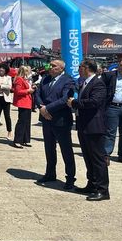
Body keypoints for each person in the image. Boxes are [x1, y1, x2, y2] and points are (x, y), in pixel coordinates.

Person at [67, 59, 109, 201]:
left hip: (94, 126)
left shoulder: (98, 83)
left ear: (87, 68)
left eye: (80, 67)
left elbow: (94, 102)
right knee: (88, 157)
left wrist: (74, 103)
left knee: (98, 159)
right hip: (84, 125)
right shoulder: (84, 82)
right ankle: (92, 184)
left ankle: (103, 190)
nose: (78, 69)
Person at [34, 60, 76, 190]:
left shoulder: (68, 80)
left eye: (53, 66)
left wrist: (48, 109)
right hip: (46, 119)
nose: (50, 67)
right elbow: (37, 93)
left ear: (61, 68)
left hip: (60, 119)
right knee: (49, 148)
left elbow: (65, 99)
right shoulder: (45, 79)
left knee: (66, 149)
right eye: (50, 65)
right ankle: (50, 173)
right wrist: (41, 107)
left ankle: (70, 178)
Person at [101, 57, 122, 164]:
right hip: (112, 107)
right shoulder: (110, 76)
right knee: (110, 132)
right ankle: (106, 155)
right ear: (118, 65)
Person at [12, 66, 34, 148]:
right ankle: (17, 140)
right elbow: (18, 91)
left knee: (27, 122)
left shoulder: (25, 79)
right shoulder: (19, 79)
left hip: (27, 102)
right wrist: (28, 91)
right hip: (23, 103)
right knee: (22, 122)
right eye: (27, 71)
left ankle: (25, 139)